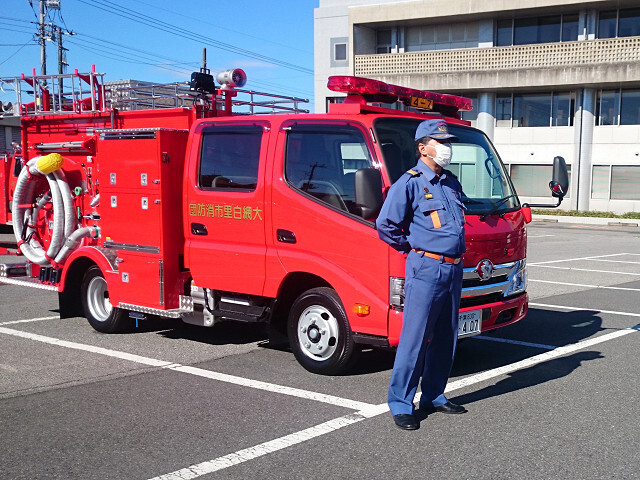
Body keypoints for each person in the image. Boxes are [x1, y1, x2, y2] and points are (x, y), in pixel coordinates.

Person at [376, 118, 467, 431]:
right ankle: (401, 403)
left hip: (454, 268)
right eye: (440, 143)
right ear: (422, 147)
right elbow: (386, 225)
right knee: (415, 338)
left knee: (445, 336)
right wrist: (414, 250)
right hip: (426, 267)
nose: (446, 148)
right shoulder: (410, 182)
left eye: (448, 143)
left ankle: (434, 395)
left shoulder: (451, 182)